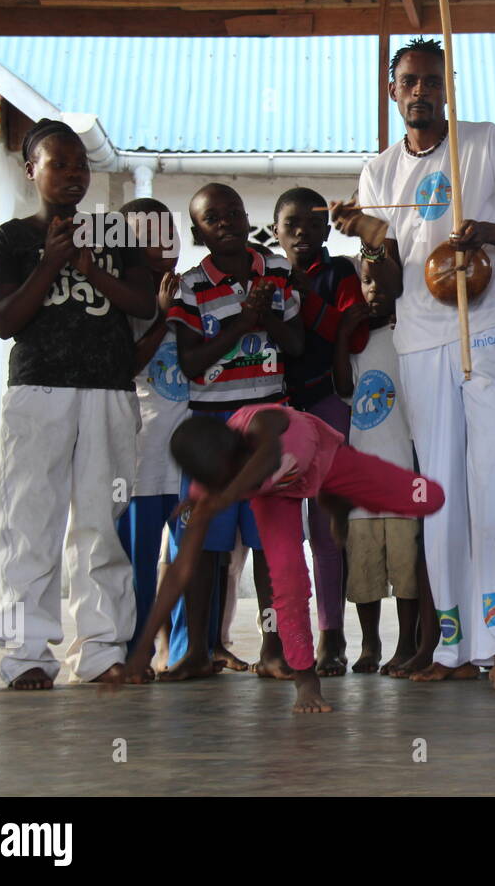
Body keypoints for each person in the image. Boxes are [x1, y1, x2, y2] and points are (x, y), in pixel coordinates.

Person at [330, 37, 495, 690]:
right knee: (443, 495)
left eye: (431, 80)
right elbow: (388, 281)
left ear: (445, 87)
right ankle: (452, 646)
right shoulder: (378, 172)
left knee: (494, 484)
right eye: (409, 81)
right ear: (393, 92)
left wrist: (486, 231)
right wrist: (369, 238)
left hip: (485, 332)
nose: (421, 90)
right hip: (421, 342)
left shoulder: (484, 142)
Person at [121, 406, 444, 712]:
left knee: (429, 497)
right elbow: (180, 572)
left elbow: (269, 455)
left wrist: (228, 495)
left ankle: (337, 499)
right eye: (216, 482)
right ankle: (306, 679)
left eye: (228, 474)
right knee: (288, 584)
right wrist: (142, 648)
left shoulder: (265, 423)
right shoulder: (206, 487)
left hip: (327, 461)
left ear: (238, 449)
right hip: (276, 497)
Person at [0, 119, 155, 687]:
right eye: (59, 163)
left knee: (99, 527)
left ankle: (103, 649)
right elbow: (5, 321)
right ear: (31, 170)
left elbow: (143, 305)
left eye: (81, 164)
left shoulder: (116, 233)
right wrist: (50, 263)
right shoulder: (11, 239)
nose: (73, 174)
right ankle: (27, 655)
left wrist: (86, 268)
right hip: (39, 391)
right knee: (32, 522)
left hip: (107, 391)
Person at [164, 182, 302, 681]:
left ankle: (274, 649)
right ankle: (198, 651)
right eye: (211, 217)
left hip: (268, 421)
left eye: (232, 212)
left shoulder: (279, 271)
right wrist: (244, 325)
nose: (224, 222)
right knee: (205, 544)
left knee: (271, 544)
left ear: (248, 217)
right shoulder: (190, 285)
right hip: (213, 429)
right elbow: (192, 366)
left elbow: (297, 345)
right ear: (199, 230)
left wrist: (266, 317)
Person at [273, 186, 370, 676]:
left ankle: (333, 635)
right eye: (292, 225)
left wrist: (310, 298)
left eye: (314, 224)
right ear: (276, 231)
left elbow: (354, 334)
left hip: (329, 404)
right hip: (278, 408)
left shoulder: (339, 274)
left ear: (327, 229)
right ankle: (285, 641)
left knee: (329, 529)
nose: (303, 233)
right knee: (280, 530)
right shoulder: (266, 277)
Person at [114, 198, 191, 680]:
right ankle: (134, 650)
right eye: (147, 235)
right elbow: (127, 365)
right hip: (140, 452)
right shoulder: (121, 298)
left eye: (167, 231)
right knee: (137, 560)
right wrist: (163, 315)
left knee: (189, 557)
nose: (161, 243)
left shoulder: (194, 288)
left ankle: (184, 651)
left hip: (186, 453)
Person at [336, 253, 422, 675]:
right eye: (367, 283)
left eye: (384, 284)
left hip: (403, 475)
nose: (374, 291)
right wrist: (342, 335)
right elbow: (344, 389)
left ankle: (407, 644)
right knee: (364, 572)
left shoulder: (411, 335)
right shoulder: (360, 341)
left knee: (407, 571)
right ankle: (369, 644)